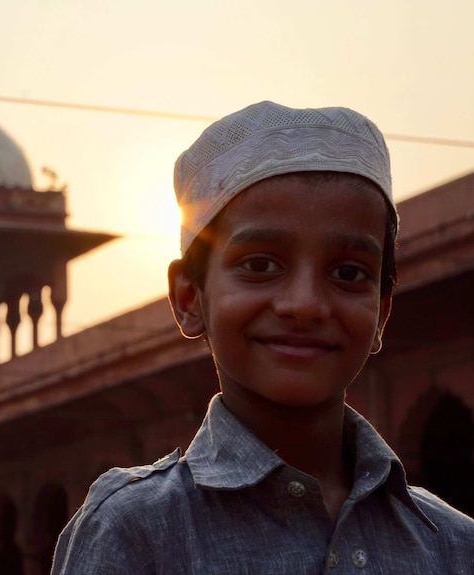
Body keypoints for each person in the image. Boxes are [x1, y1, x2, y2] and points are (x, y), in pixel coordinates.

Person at [50, 101, 474, 574]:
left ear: (382, 312)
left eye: (349, 272)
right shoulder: (138, 529)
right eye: (259, 265)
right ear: (190, 297)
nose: (305, 304)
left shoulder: (453, 546)